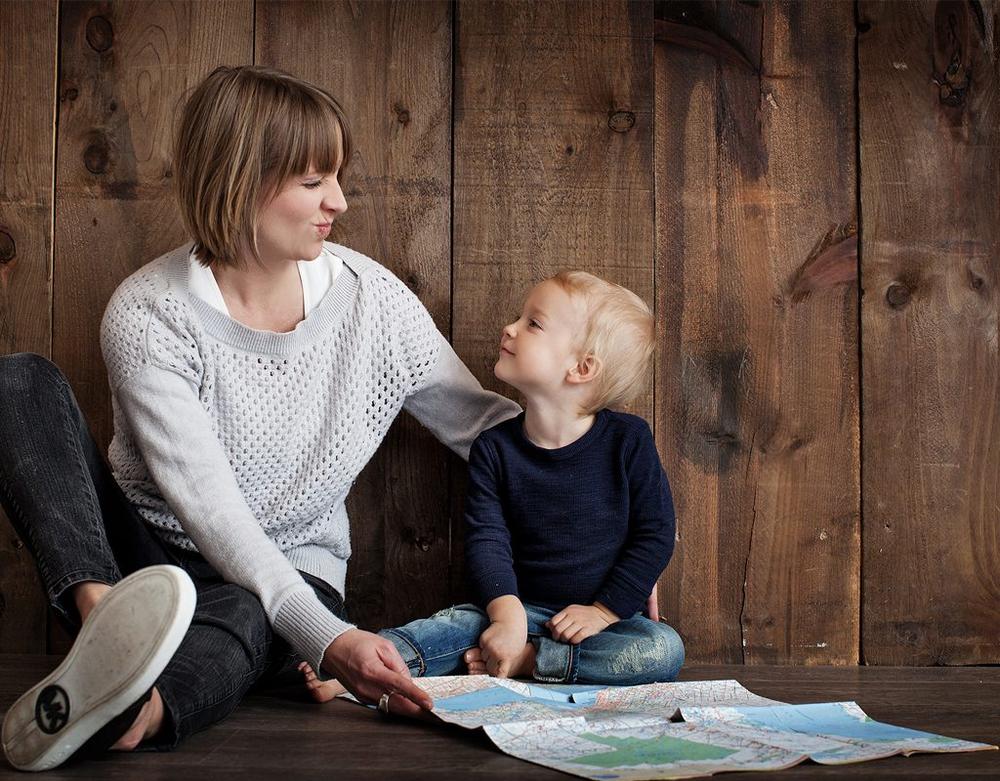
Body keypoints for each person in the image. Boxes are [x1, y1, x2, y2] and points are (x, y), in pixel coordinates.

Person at [0, 64, 522, 771]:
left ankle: (139, 708)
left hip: (289, 571)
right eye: (313, 182)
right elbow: (210, 509)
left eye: (336, 176)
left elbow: (487, 428)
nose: (338, 200)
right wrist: (328, 640)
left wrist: (613, 503)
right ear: (240, 182)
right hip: (141, 557)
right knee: (17, 381)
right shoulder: (148, 313)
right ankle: (107, 632)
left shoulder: (376, 304)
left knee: (251, 604)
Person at [301, 270, 683, 703]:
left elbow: (654, 534)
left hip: (600, 625)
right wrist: (506, 615)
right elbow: (488, 539)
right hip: (516, 608)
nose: (511, 327)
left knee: (661, 649)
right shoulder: (496, 449)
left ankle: (531, 662)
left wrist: (605, 611)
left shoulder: (627, 441)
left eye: (533, 324)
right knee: (451, 627)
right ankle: (361, 669)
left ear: (581, 368)